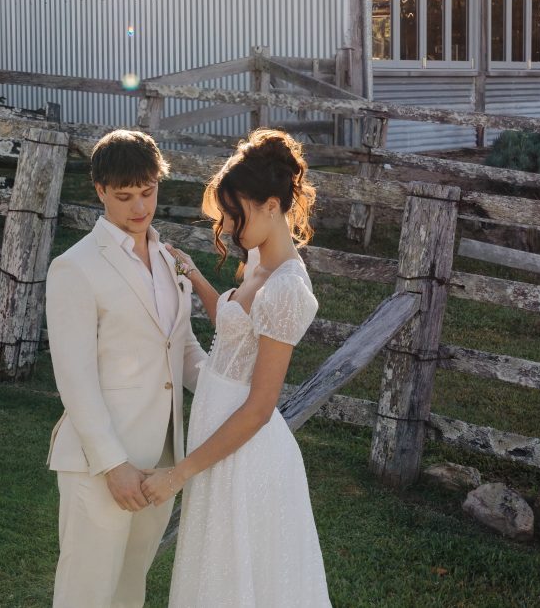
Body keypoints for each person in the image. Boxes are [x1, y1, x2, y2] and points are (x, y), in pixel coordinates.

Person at [141, 128, 332, 607]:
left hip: (243, 453)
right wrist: (191, 272)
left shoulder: (287, 288)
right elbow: (234, 324)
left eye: (233, 214)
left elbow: (260, 408)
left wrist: (178, 474)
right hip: (217, 438)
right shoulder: (257, 259)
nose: (226, 227)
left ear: (271, 205)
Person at [44, 130, 207, 608]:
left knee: (130, 588)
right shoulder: (74, 267)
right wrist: (112, 464)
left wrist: (236, 391)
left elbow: (183, 348)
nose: (139, 207)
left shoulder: (169, 259)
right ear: (100, 191)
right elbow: (74, 378)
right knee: (86, 593)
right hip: (101, 463)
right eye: (124, 196)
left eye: (148, 192)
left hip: (163, 461)